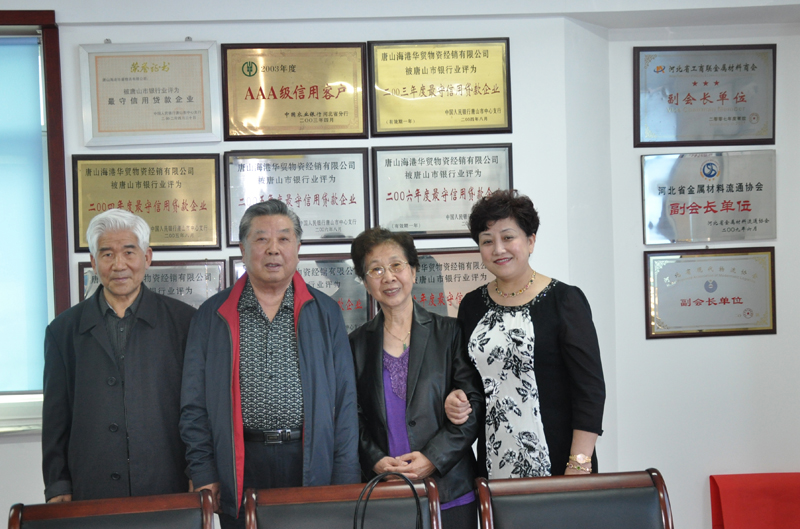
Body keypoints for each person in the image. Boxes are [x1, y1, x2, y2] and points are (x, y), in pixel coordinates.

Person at [180, 200, 360, 529]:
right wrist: (203, 471)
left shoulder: (325, 312)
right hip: (239, 462)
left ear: (298, 248)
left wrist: (345, 476)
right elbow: (194, 404)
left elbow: (345, 401)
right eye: (261, 239)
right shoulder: (212, 315)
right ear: (243, 248)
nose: (273, 249)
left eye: (284, 239)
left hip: (308, 459)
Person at [445, 189, 605, 479]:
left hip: (561, 461)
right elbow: (468, 379)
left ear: (530, 241)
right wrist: (456, 397)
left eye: (508, 237)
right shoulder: (472, 305)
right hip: (494, 458)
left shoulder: (564, 300)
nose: (498, 249)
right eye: (487, 241)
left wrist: (579, 462)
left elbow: (590, 390)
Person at [42, 209, 196, 502]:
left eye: (128, 252)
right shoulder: (63, 331)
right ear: (93, 262)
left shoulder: (184, 322)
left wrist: (198, 472)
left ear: (147, 257)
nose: (119, 264)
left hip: (167, 481)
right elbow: (55, 419)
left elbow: (197, 408)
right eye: (107, 254)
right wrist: (58, 485)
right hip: (92, 485)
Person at [348, 228, 484, 528]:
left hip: (450, 489)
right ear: (365, 282)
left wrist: (433, 458)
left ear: (413, 270)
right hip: (385, 491)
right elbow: (350, 414)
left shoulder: (449, 332)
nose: (388, 277)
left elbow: (473, 404)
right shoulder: (355, 344)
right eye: (376, 269)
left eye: (396, 265)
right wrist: (375, 460)